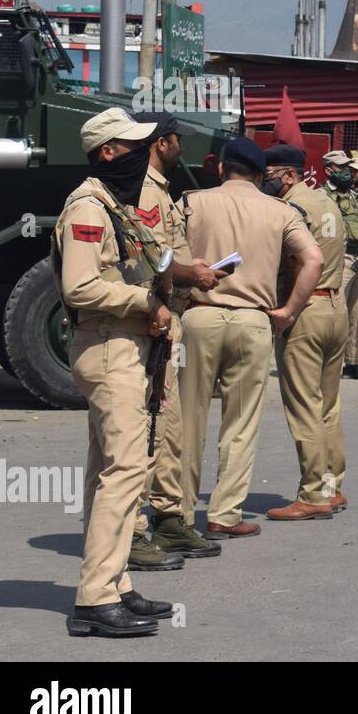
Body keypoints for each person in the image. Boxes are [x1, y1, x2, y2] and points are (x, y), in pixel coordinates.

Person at [57, 109, 179, 637]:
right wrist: (143, 300)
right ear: (108, 152)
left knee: (108, 469)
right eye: (133, 146)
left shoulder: (114, 204)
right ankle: (95, 598)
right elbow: (79, 286)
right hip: (107, 347)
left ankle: (115, 584)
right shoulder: (89, 204)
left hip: (122, 346)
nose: (143, 154)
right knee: (126, 471)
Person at [179, 138, 323, 539]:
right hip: (253, 322)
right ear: (262, 177)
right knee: (240, 423)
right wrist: (289, 312)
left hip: (199, 317)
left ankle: (179, 513)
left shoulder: (191, 202)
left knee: (187, 419)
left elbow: (164, 255)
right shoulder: (280, 210)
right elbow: (315, 259)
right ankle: (224, 515)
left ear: (223, 169)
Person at [130, 111, 225, 565]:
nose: (179, 148)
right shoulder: (145, 188)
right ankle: (132, 532)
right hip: (153, 318)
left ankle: (169, 521)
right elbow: (154, 258)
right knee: (147, 431)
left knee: (169, 428)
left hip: (171, 318)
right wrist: (194, 273)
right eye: (175, 141)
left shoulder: (160, 189)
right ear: (161, 142)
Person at [261, 145, 350, 520]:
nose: (265, 181)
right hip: (335, 306)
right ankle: (332, 487)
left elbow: (297, 261)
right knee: (328, 405)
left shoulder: (290, 209)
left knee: (304, 406)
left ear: (290, 175)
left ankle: (313, 494)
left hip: (305, 308)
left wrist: (286, 311)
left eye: (271, 175)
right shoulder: (328, 203)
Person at [322, 151, 358, 381]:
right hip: (340, 259)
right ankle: (327, 362)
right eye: (340, 167)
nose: (347, 171)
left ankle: (353, 362)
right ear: (328, 170)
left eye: (349, 167)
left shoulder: (354, 195)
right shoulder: (323, 196)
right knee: (335, 312)